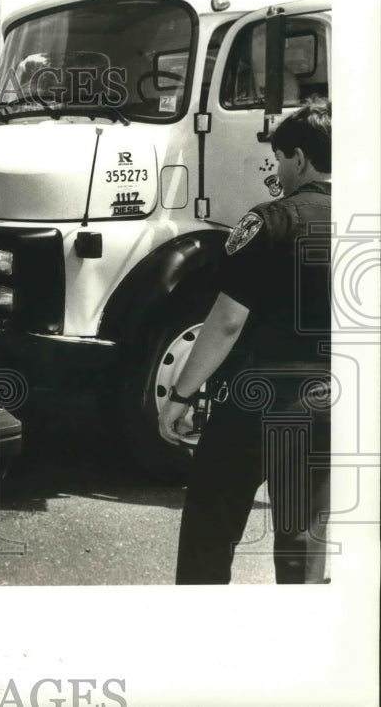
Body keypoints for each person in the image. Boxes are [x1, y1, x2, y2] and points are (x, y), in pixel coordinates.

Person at [158, 97, 332, 584]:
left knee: (209, 531)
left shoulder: (271, 220)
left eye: (279, 158)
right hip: (328, 401)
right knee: (303, 540)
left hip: (255, 400)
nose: (277, 169)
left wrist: (181, 396)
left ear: (299, 157)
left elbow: (227, 322)